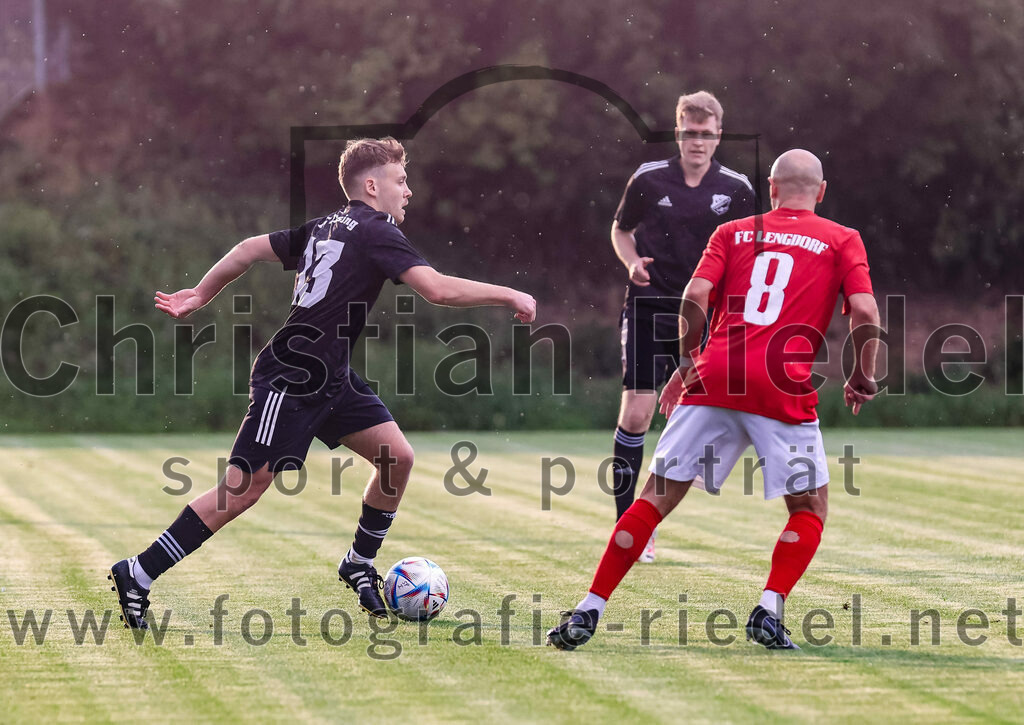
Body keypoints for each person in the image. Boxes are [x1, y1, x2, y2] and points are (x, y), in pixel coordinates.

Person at [108, 137, 536, 629]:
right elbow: (436, 289)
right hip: (291, 376)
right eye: (400, 181)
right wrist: (509, 294)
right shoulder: (375, 230)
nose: (409, 191)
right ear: (372, 186)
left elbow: (248, 249)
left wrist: (202, 293)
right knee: (242, 490)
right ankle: (138, 572)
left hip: (330, 375)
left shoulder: (326, 225)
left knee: (396, 458)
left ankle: (358, 562)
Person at [549, 149, 880, 650]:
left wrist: (686, 364)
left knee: (654, 499)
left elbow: (694, 295)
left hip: (715, 376)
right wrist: (862, 376)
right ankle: (769, 609)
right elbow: (864, 309)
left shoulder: (733, 231)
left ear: (770, 190)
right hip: (779, 384)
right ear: (822, 191)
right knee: (809, 506)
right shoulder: (841, 238)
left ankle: (589, 609)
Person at [609, 90, 755, 562]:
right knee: (637, 413)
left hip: (705, 315)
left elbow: (748, 256)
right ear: (678, 132)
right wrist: (632, 263)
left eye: (706, 134)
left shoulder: (736, 189)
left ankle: (661, 504)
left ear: (718, 136)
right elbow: (621, 231)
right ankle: (628, 526)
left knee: (705, 414)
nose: (698, 141)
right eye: (690, 133)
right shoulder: (650, 179)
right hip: (650, 305)